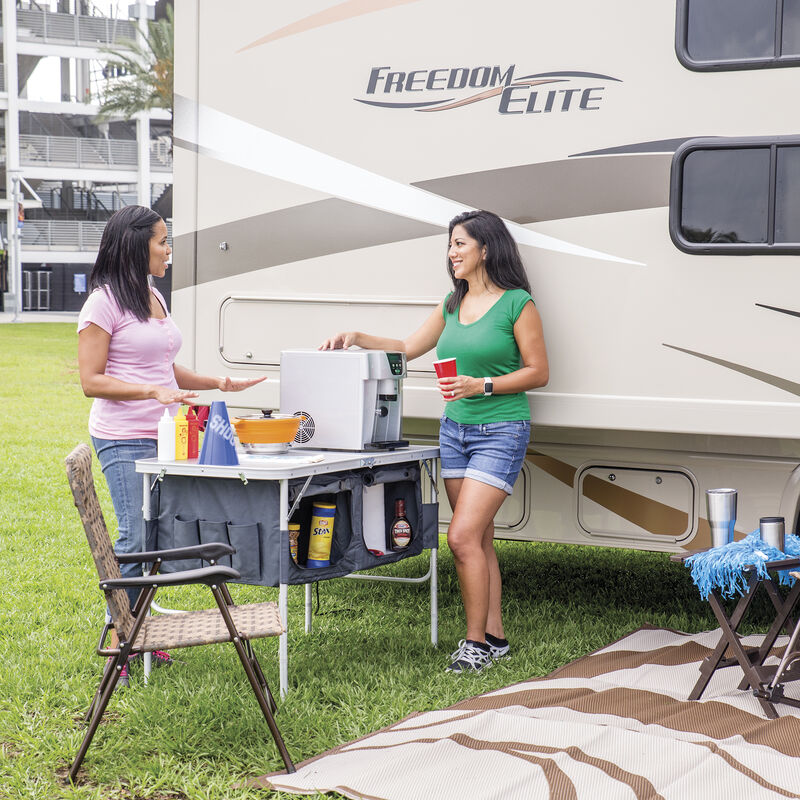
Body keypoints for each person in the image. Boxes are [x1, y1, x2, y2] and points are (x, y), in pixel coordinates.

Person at [321, 209, 548, 674]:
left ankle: (474, 644)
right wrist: (357, 336)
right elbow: (408, 348)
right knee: (479, 538)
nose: (452, 253)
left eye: (460, 244)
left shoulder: (517, 304)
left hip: (501, 430)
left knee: (460, 537)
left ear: (486, 248)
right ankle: (496, 637)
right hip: (456, 431)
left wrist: (481, 385)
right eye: (450, 245)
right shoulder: (452, 303)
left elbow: (538, 372)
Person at [77, 205, 265, 686]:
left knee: (156, 538)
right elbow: (91, 380)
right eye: (162, 241)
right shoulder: (102, 303)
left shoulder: (152, 294)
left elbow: (165, 366)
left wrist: (218, 382)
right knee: (135, 537)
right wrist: (152, 392)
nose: (168, 250)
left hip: (163, 435)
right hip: (122, 436)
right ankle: (121, 644)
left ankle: (138, 633)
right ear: (136, 244)